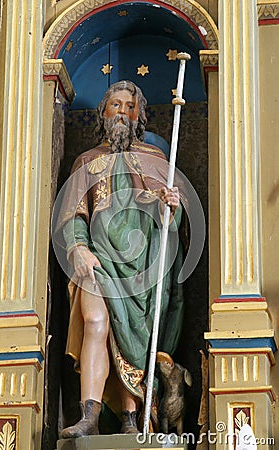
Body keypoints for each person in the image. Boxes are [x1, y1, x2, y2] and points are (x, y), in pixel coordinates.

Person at [57, 80, 184, 438]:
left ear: (139, 115)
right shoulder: (87, 162)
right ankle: (89, 417)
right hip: (97, 259)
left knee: (136, 337)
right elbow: (73, 216)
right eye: (116, 105)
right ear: (104, 113)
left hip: (142, 265)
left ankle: (131, 417)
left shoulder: (156, 160)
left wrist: (169, 208)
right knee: (95, 322)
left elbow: (168, 225)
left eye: (130, 106)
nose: (123, 113)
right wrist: (78, 248)